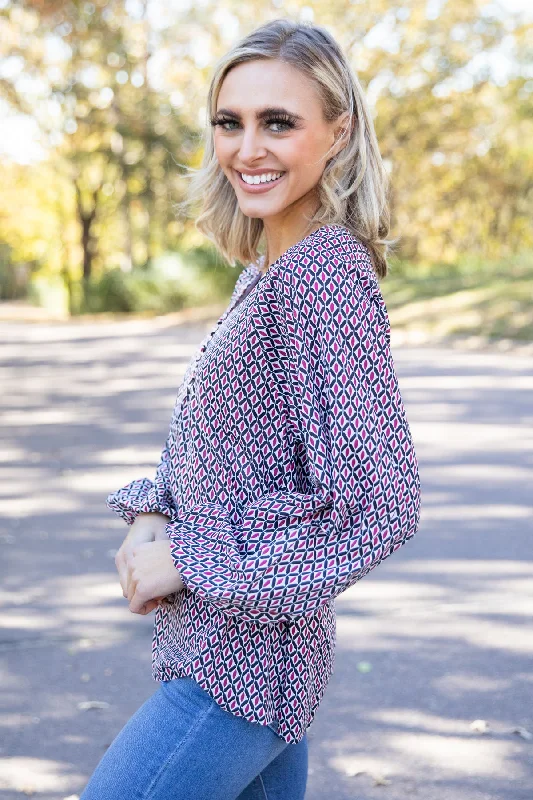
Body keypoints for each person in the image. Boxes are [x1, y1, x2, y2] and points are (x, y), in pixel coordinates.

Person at [80, 17, 421, 800]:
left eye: (278, 123)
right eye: (229, 123)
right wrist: (152, 516)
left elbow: (382, 506)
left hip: (242, 670)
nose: (246, 148)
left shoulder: (324, 277)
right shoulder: (271, 269)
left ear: (337, 133)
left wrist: (194, 559)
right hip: (231, 655)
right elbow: (217, 450)